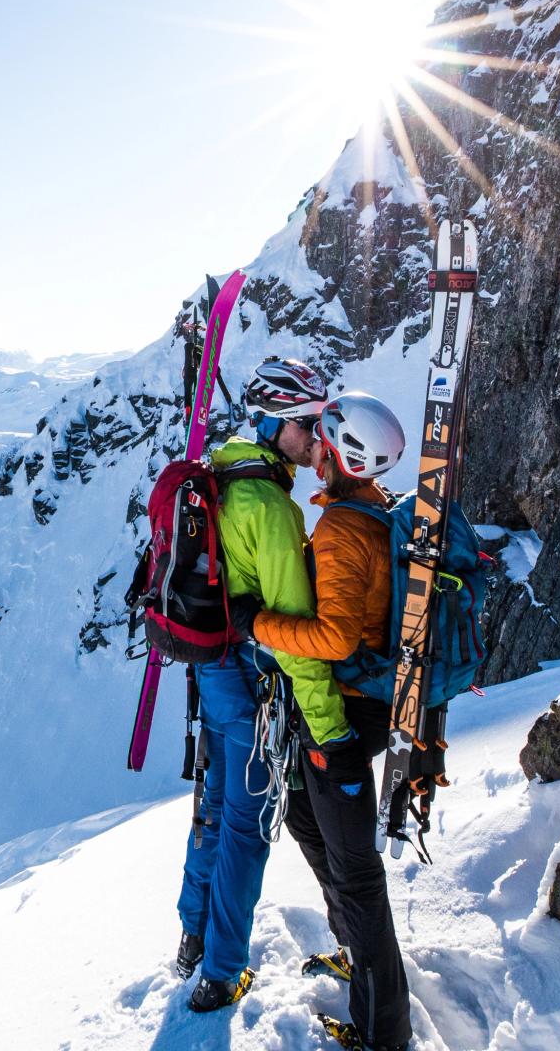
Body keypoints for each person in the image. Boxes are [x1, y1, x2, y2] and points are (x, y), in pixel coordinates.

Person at [232, 391, 413, 1051]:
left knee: (357, 874)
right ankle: (358, 959)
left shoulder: (341, 529)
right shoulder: (368, 512)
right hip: (361, 708)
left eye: (324, 442)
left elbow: (333, 639)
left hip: (347, 716)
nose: (314, 450)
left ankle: (382, 1031)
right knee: (309, 822)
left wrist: (257, 623)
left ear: (344, 455)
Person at [172, 357, 332, 1013]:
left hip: (213, 666)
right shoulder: (269, 506)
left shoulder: (225, 466)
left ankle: (193, 934)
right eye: (306, 423)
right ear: (272, 421)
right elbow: (293, 633)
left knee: (214, 804)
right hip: (252, 680)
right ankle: (223, 970)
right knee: (248, 819)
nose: (315, 435)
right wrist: (326, 722)